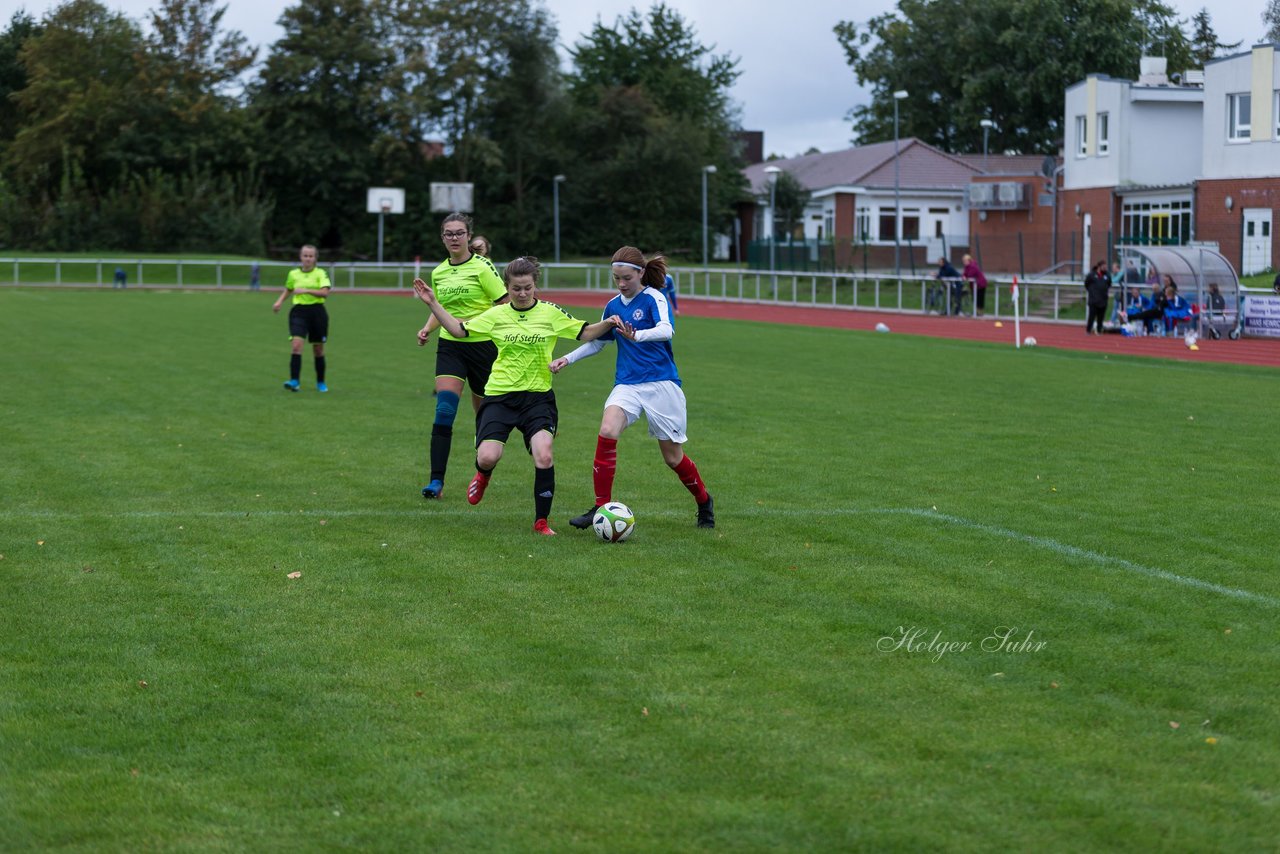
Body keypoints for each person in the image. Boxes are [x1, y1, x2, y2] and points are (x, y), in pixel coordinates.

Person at [412, 257, 623, 535]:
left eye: (527, 288)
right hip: (500, 396)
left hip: (538, 399)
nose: (522, 294)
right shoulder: (496, 315)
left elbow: (584, 332)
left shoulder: (550, 313)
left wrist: (608, 323)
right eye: (516, 289)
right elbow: (458, 330)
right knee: (487, 456)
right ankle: (483, 474)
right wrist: (432, 303)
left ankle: (541, 522)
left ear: (535, 285)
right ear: (507, 288)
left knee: (544, 455)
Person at [551, 246, 716, 531]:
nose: (622, 284)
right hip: (627, 384)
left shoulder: (654, 297)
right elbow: (599, 342)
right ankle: (601, 506)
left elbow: (667, 329)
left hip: (662, 384)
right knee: (607, 431)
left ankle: (703, 501)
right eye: (617, 278)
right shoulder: (613, 305)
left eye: (627, 277)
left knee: (672, 457)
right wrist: (568, 358)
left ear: (640, 273)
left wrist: (636, 335)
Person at [415, 213, 507, 500]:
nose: (454, 238)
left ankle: (481, 473)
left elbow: (503, 302)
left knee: (484, 417)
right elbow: (440, 308)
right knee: (444, 409)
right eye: (448, 234)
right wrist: (428, 328)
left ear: (469, 236)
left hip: (483, 347)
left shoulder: (483, 267)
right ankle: (436, 482)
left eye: (459, 233)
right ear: (442, 238)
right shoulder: (439, 272)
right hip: (450, 345)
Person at [272, 245, 331, 392]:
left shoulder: (320, 273)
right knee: (297, 346)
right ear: (300, 257)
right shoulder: (293, 274)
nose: (308, 259)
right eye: (305, 256)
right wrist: (279, 301)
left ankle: (321, 382)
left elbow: (325, 293)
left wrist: (306, 290)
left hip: (317, 312)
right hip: (299, 312)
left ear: (315, 258)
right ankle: (294, 381)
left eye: (311, 256)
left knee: (318, 349)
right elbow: (289, 288)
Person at [1083, 260, 1110, 334]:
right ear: (1099, 267)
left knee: (1101, 317)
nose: (1105, 268)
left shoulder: (1107, 275)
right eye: (1103, 267)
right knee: (1091, 316)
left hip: (1103, 299)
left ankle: (1099, 330)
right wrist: (1092, 291)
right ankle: (1088, 330)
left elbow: (1109, 284)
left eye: (1106, 267)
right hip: (1093, 300)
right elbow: (1086, 284)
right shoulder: (1092, 275)